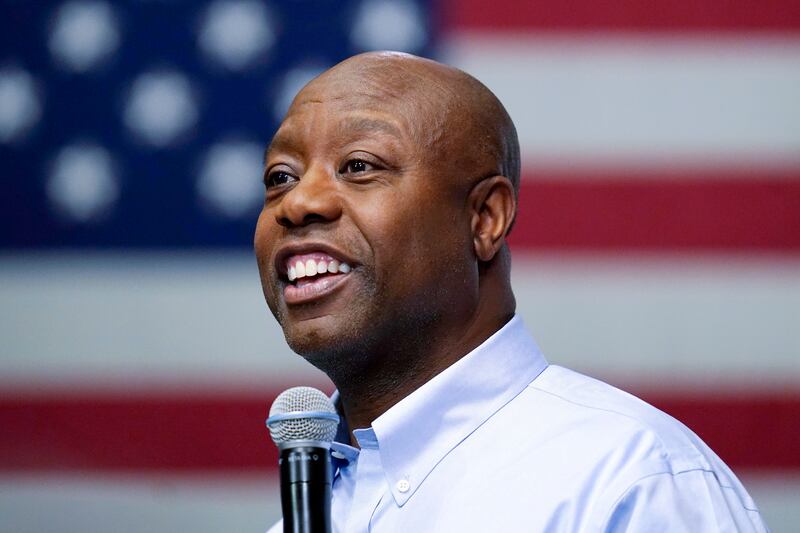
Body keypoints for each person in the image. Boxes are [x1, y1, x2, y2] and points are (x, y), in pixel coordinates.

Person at [255, 51, 767, 532]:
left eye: (359, 166)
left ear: (484, 218)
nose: (299, 203)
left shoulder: (630, 480)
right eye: (281, 176)